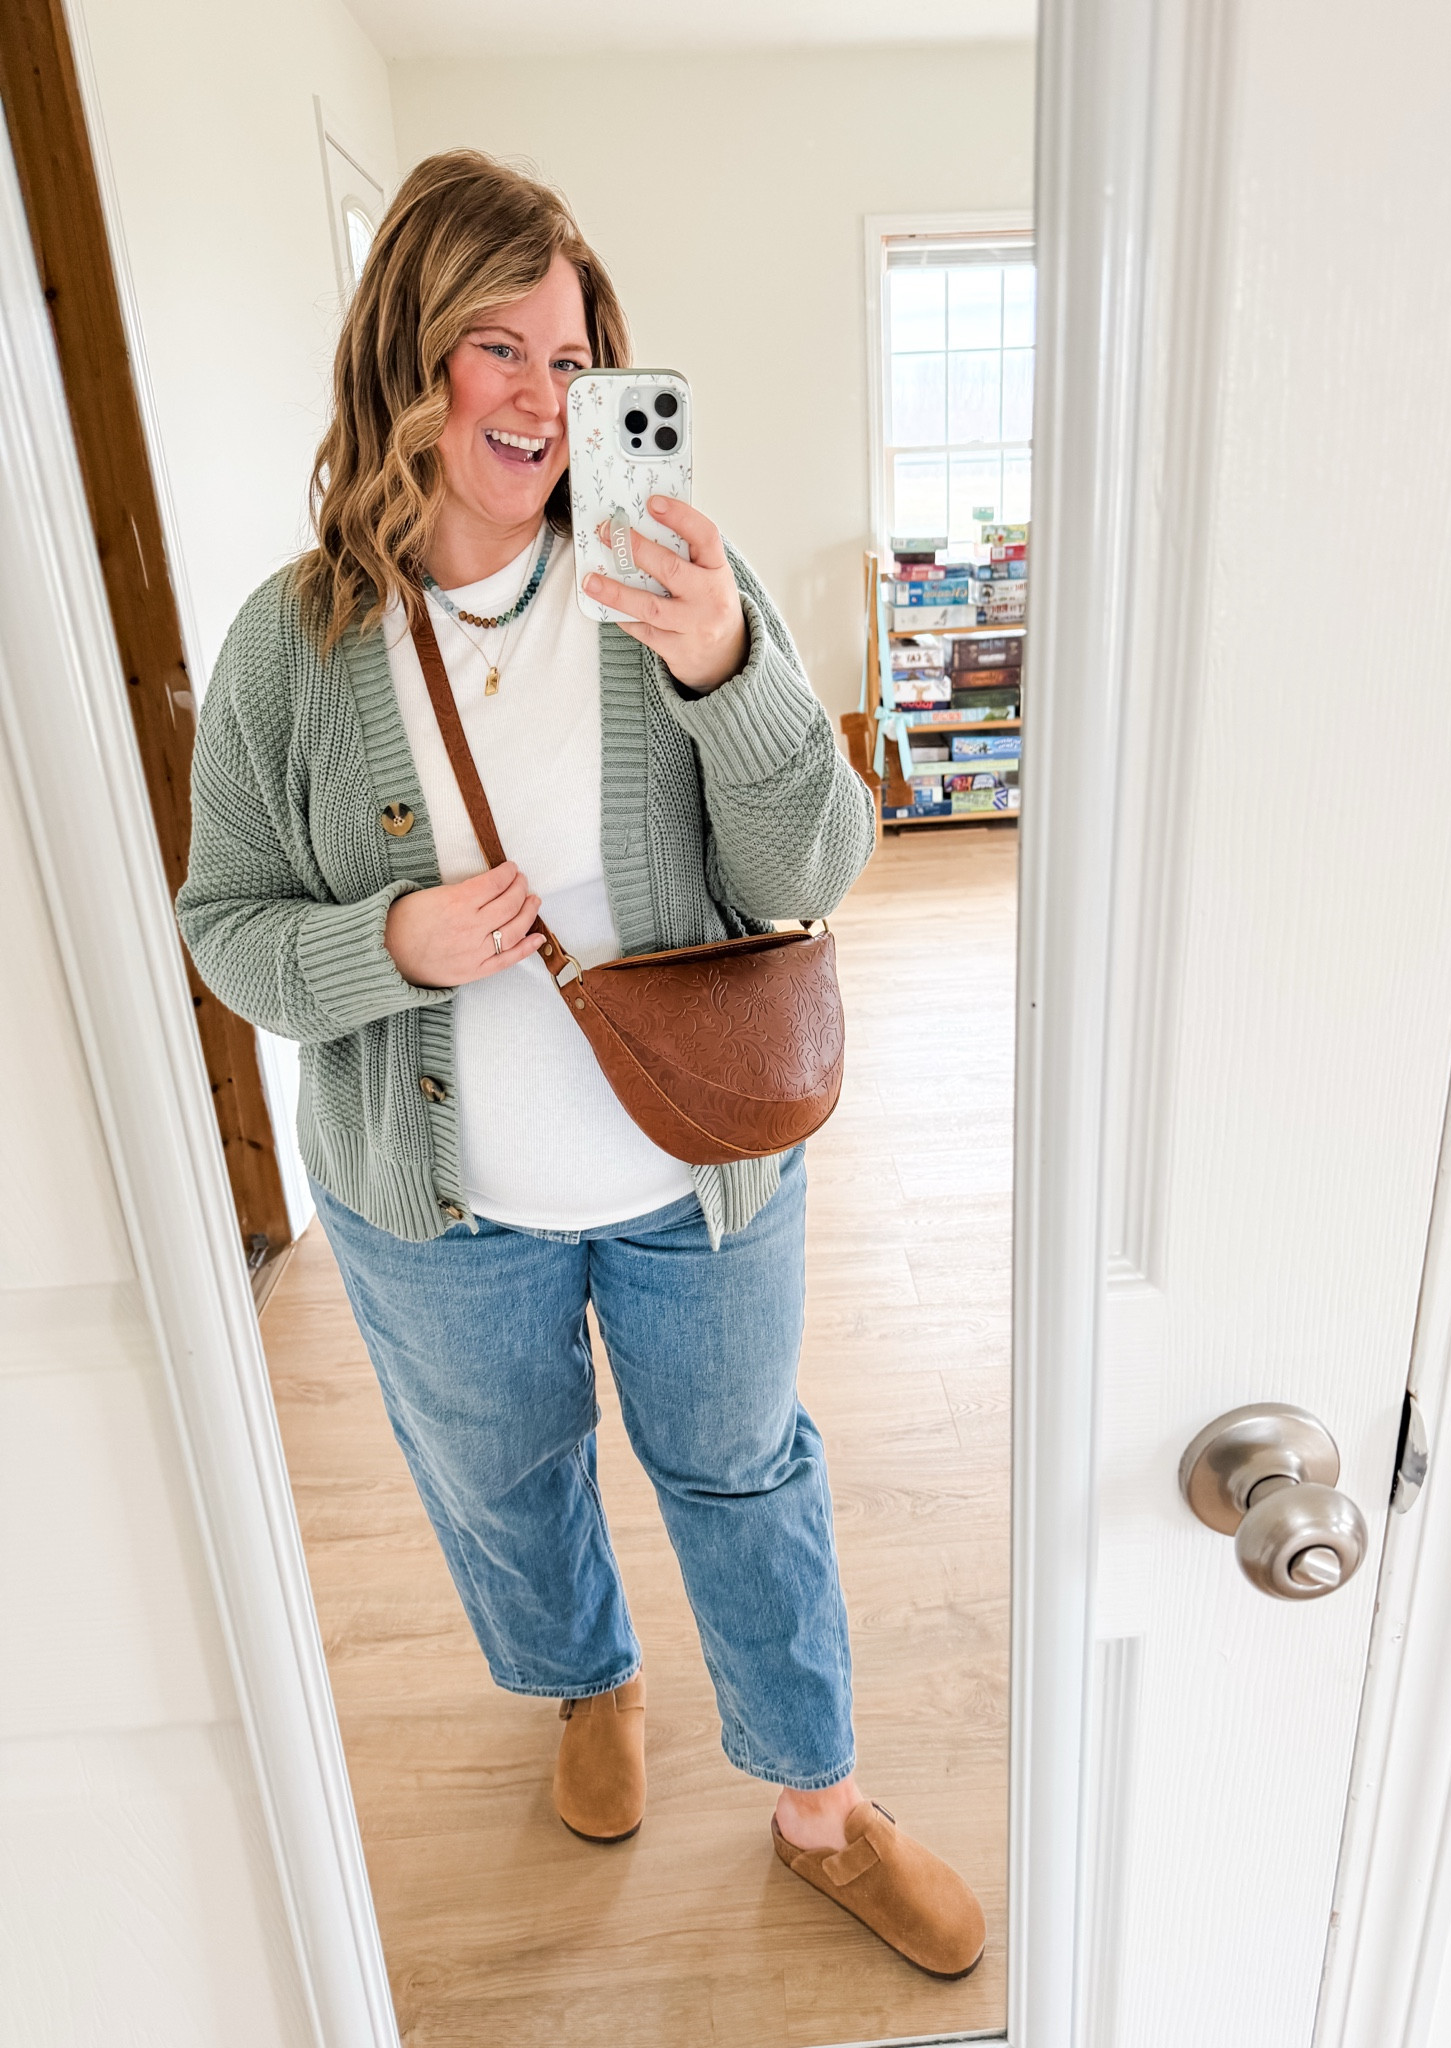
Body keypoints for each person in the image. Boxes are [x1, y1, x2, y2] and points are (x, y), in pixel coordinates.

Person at [178, 149, 983, 1979]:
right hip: (433, 1207)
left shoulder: (666, 586)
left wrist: (726, 669)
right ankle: (585, 1686)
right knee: (507, 1483)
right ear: (406, 362)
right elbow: (223, 923)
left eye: (574, 352)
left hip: (696, 1170)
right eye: (495, 348)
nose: (544, 398)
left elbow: (816, 870)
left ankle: (818, 1803)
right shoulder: (286, 651)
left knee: (743, 1471)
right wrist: (388, 944)